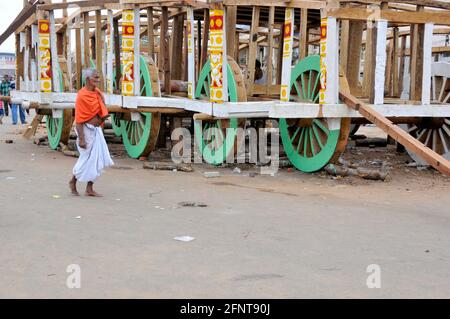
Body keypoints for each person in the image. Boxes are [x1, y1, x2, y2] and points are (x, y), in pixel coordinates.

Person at [69, 68, 114, 197]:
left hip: (97, 130)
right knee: (86, 159)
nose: (98, 80)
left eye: (98, 78)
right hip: (86, 130)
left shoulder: (97, 93)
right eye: (95, 78)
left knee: (97, 159)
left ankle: (89, 188)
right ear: (88, 79)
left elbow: (102, 110)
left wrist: (101, 121)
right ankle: (73, 181)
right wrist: (81, 139)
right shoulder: (82, 96)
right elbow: (78, 120)